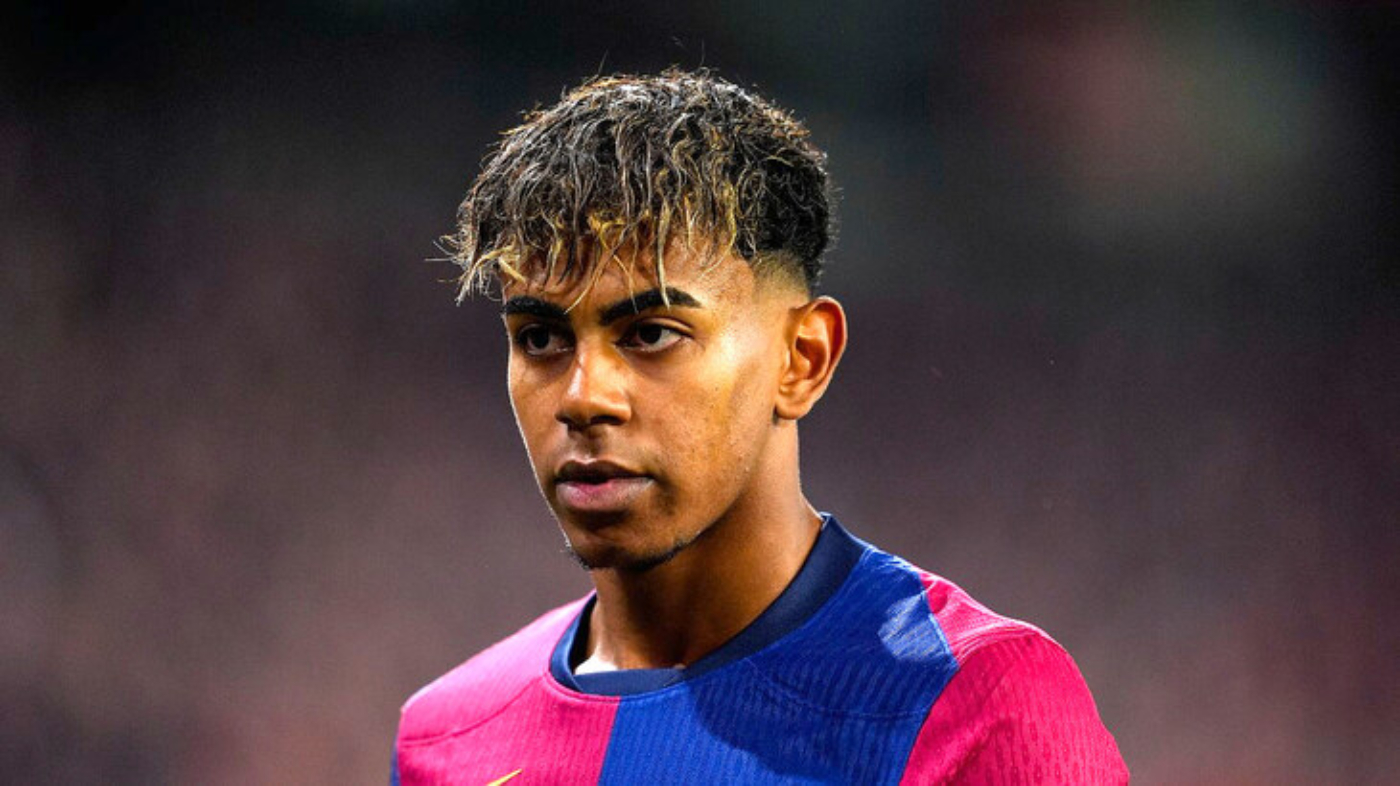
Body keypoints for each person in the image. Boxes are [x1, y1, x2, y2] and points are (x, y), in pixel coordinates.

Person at [393, 70, 1127, 785]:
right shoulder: (446, 739)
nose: (584, 398)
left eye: (651, 334)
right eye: (541, 339)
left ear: (802, 359)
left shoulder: (978, 707)